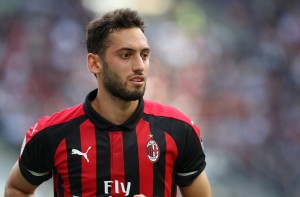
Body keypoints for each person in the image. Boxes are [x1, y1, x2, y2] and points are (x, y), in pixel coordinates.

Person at [4, 8, 212, 197]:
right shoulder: (51, 133)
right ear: (95, 63)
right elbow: (17, 189)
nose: (140, 66)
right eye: (126, 55)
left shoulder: (179, 130)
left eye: (144, 55)